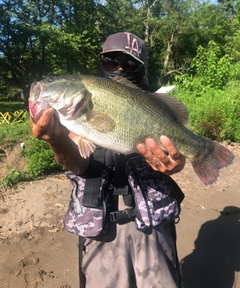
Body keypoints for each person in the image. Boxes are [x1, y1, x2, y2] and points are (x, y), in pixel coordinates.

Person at [31, 32, 185, 288]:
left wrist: (176, 166)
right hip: (100, 228)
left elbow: (173, 154)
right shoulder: (74, 110)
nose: (120, 68)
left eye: (130, 64)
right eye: (112, 61)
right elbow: (78, 164)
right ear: (102, 63)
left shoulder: (152, 106)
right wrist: (55, 140)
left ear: (142, 70)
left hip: (154, 225)